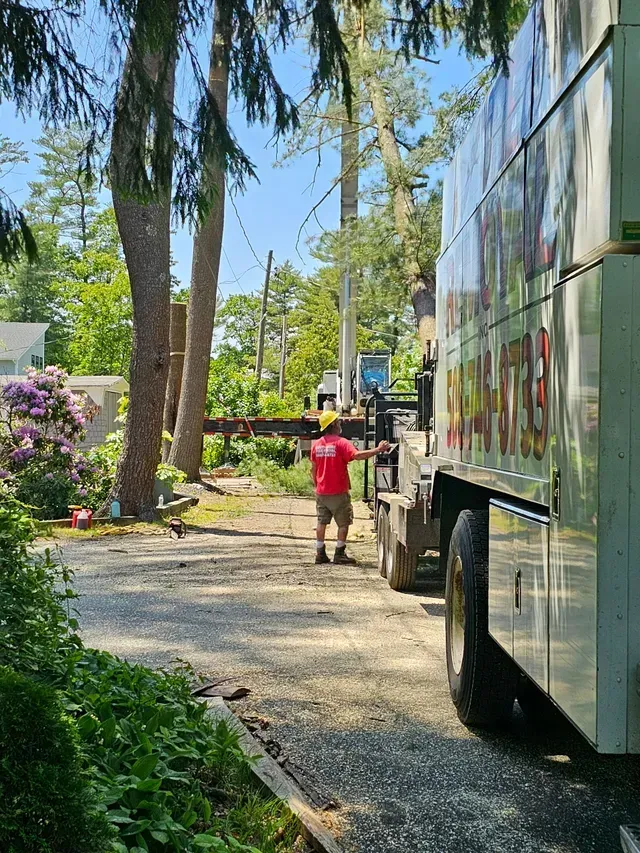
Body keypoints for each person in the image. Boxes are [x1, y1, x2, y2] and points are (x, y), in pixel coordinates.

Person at [311, 410, 390, 565]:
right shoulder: (341, 443)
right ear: (333, 425)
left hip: (322, 491)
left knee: (321, 521)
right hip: (338, 491)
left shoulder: (317, 444)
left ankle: (320, 553)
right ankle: (339, 553)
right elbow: (357, 456)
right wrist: (378, 450)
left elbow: (313, 469)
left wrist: (317, 485)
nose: (340, 424)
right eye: (338, 421)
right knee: (343, 523)